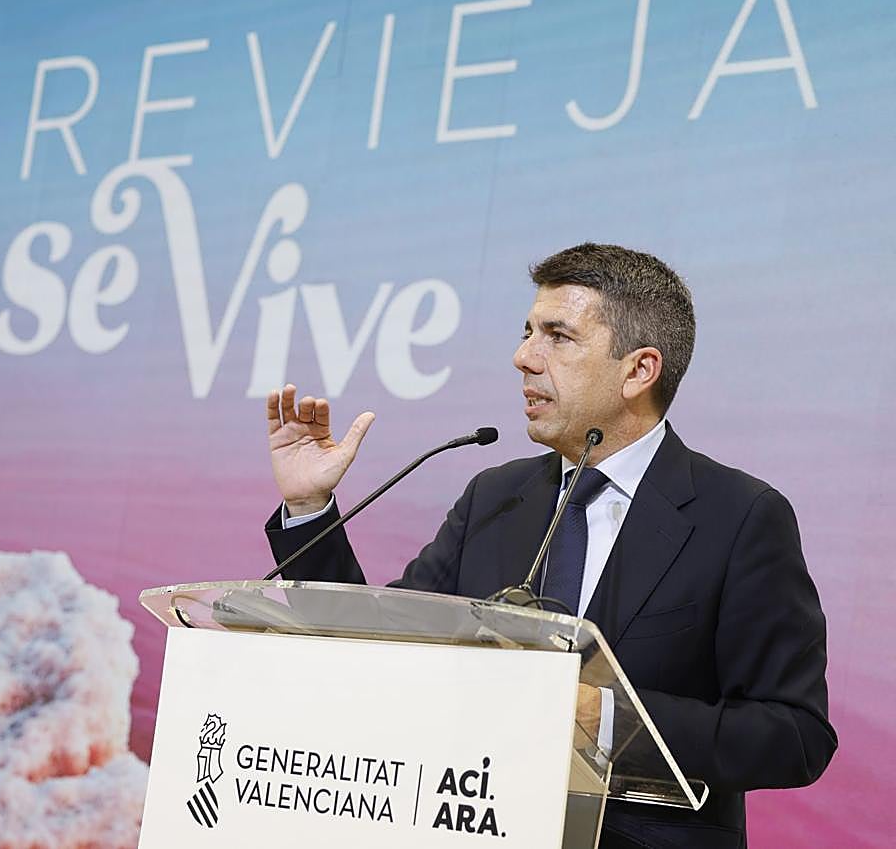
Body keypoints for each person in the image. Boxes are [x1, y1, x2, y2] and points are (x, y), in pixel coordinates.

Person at [262, 243, 836, 848]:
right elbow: (387, 648)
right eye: (527, 332)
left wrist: (606, 720)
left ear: (638, 371)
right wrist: (308, 509)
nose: (522, 357)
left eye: (557, 337)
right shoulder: (496, 496)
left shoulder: (740, 516)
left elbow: (796, 735)